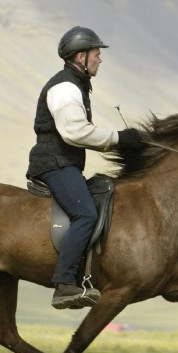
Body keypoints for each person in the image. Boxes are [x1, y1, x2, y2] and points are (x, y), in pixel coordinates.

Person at [27, 26, 142, 310]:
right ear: (81, 56)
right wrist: (118, 139)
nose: (100, 59)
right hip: (54, 164)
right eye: (96, 53)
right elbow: (75, 132)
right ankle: (65, 285)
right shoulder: (65, 88)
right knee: (85, 214)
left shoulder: (76, 85)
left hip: (64, 163)